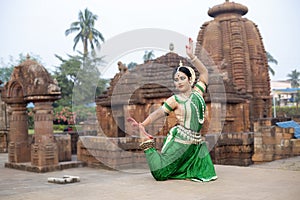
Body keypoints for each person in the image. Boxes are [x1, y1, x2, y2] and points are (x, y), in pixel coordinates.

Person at [128, 38, 217, 182]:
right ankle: (146, 143)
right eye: (176, 79)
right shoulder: (175, 99)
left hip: (196, 146)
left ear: (190, 79)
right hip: (180, 143)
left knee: (198, 173)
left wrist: (192, 57)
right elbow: (158, 113)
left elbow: (205, 73)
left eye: (182, 78)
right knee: (160, 173)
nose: (179, 82)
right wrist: (142, 125)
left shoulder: (198, 92)